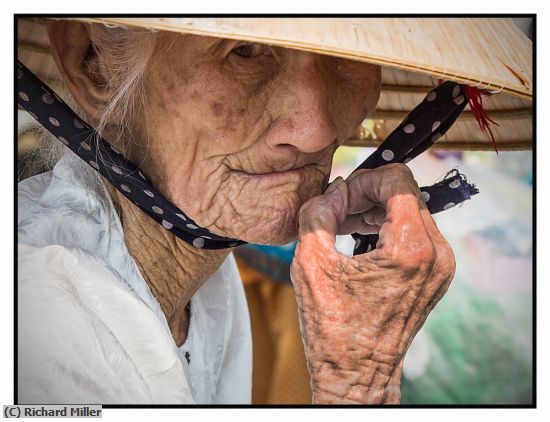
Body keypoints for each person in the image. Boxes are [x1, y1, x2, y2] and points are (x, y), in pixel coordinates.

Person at [17, 18, 530, 404]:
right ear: (92, 61)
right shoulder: (39, 325)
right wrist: (355, 382)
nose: (317, 129)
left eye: (342, 52)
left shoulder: (205, 278)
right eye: (244, 51)